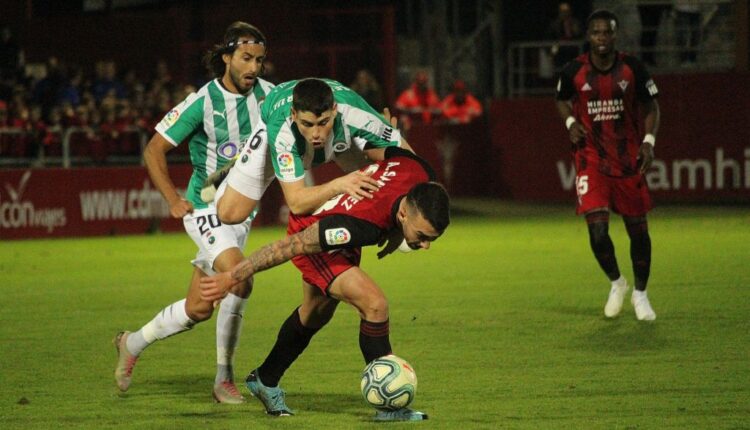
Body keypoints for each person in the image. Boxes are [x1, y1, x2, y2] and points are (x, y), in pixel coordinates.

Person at [201, 147, 450, 421]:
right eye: (422, 236)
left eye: (432, 239)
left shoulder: (419, 170)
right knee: (374, 304)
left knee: (315, 313)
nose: (425, 245)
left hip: (343, 224)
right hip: (315, 229)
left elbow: (381, 146)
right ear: (404, 213)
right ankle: (390, 405)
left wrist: (396, 230)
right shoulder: (361, 225)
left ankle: (265, 378)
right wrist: (232, 276)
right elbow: (291, 246)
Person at [113, 21, 274, 404]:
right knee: (240, 278)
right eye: (246, 58)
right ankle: (224, 378)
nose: (254, 67)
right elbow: (154, 149)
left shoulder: (272, 96)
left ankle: (131, 343)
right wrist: (171, 199)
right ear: (227, 57)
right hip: (206, 208)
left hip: (242, 213)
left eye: (260, 60)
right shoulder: (203, 101)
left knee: (198, 308)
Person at [555, 10, 660, 321]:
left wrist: (649, 142)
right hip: (590, 159)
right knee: (598, 232)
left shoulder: (633, 68)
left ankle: (640, 293)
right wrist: (571, 121)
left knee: (638, 233)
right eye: (597, 33)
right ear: (589, 37)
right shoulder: (574, 70)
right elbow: (560, 98)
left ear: (615, 36)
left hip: (628, 160)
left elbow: (652, 106)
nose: (602, 38)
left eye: (607, 33)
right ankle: (617, 283)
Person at [215, 77, 411, 226]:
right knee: (230, 214)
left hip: (342, 138)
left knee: (384, 171)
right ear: (294, 115)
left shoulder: (355, 113)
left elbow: (411, 160)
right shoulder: (282, 127)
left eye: (323, 122)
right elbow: (296, 203)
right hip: (274, 129)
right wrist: (338, 185)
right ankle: (238, 160)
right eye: (308, 124)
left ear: (334, 110)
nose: (316, 134)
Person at [548, 2, 584, 69]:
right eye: (563, 11)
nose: (565, 14)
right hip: (560, 51)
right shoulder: (555, 25)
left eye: (567, 11)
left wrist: (576, 31)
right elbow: (551, 39)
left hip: (574, 50)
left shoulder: (576, 23)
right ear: (559, 12)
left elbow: (581, 36)